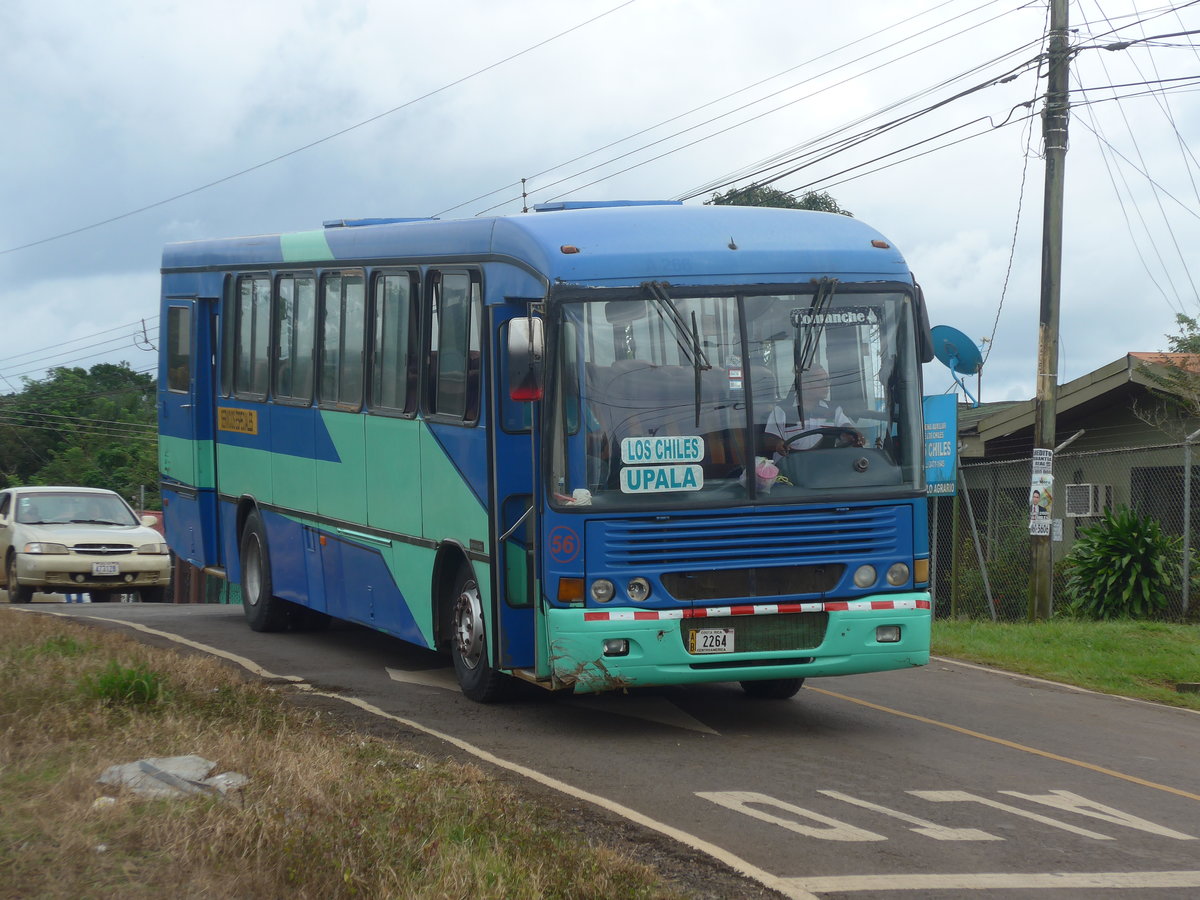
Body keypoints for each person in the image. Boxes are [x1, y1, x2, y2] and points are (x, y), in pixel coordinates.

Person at [763, 364, 863, 461]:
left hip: (822, 467)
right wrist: (778, 444)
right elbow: (770, 439)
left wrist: (854, 434)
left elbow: (846, 427)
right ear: (805, 384)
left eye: (827, 380)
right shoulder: (782, 409)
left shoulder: (833, 409)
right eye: (821, 380)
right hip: (792, 467)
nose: (826, 384)